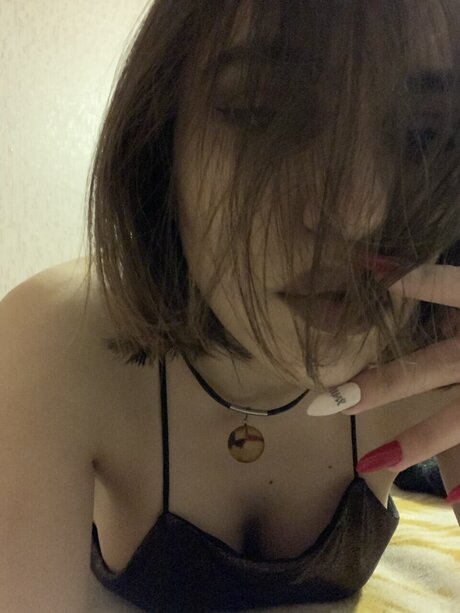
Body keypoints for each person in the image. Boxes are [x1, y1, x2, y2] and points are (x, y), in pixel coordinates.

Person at [2, 1, 460, 612]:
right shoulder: (56, 339)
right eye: (262, 113)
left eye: (425, 134)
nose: (359, 214)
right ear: (160, 139)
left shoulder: (436, 350)